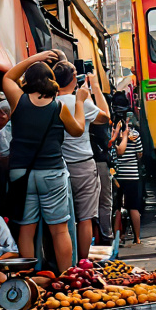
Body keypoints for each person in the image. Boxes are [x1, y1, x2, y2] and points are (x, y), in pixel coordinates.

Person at [2, 51, 87, 274]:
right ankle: (66, 277)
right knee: (59, 230)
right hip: (52, 173)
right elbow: (77, 130)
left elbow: (8, 77)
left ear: (28, 81)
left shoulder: (18, 101)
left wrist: (34, 58)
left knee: (26, 229)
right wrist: (79, 102)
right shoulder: (58, 108)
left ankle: (28, 279)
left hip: (21, 173)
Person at [54, 61, 111, 261]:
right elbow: (106, 118)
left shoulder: (52, 102)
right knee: (85, 218)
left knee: (62, 219)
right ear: (73, 79)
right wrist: (94, 89)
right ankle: (83, 262)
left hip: (59, 166)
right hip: (84, 165)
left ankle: (63, 261)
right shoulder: (79, 102)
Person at [109, 115, 143, 245]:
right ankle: (137, 238)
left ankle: (118, 239)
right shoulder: (135, 136)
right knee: (133, 207)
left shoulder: (114, 137)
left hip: (118, 176)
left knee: (117, 207)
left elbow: (113, 156)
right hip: (132, 175)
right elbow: (140, 153)